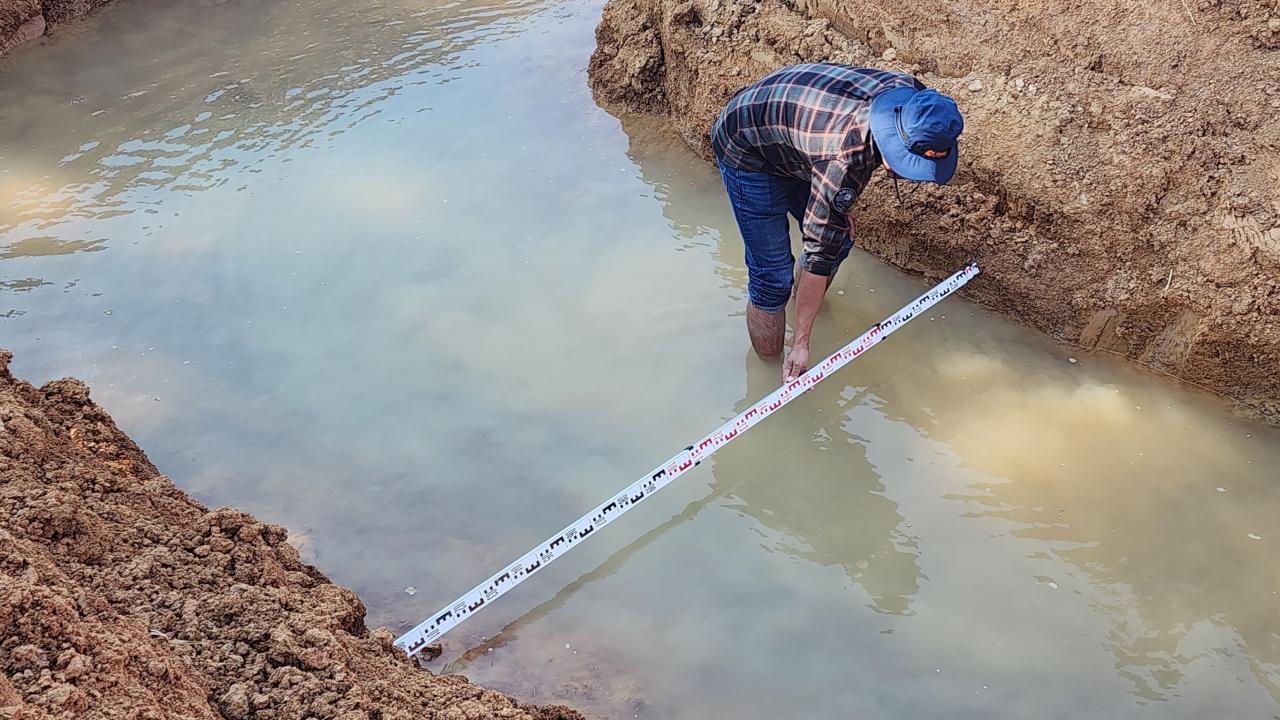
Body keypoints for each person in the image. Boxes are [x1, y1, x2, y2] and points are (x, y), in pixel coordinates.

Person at [711, 63, 964, 380]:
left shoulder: (917, 102)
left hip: (797, 133)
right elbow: (819, 252)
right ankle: (768, 374)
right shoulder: (843, 157)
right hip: (746, 145)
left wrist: (837, 210)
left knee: (839, 237)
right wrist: (801, 343)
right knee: (772, 278)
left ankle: (800, 304)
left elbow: (828, 234)